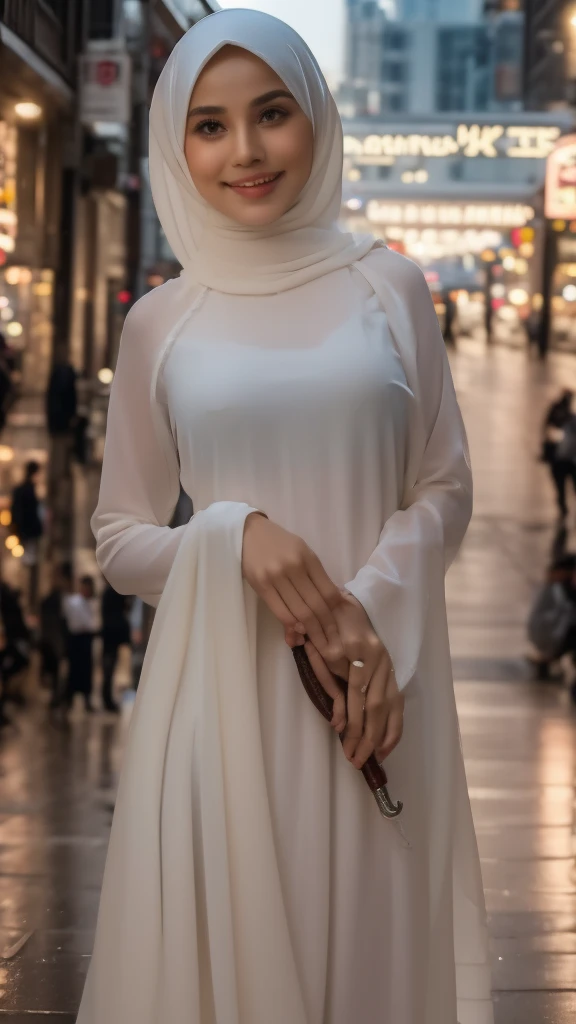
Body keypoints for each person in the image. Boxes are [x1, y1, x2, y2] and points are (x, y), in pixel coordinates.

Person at [76, 12, 492, 1024]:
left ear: (316, 116)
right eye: (209, 126)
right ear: (178, 145)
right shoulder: (161, 322)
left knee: (369, 960)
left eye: (271, 114)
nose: (247, 152)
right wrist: (235, 535)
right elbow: (121, 536)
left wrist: (368, 613)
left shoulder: (389, 287)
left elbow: (444, 485)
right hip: (222, 704)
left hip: (372, 696)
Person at [10, 459, 44, 610]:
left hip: (27, 533)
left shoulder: (25, 489)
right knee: (28, 566)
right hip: (28, 533)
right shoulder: (26, 490)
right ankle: (27, 602)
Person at [62, 574, 98, 713]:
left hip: (87, 638)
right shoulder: (72, 601)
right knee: (73, 669)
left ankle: (86, 699)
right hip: (75, 638)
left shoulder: (92, 602)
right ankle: (69, 699)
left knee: (87, 670)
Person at [39, 562, 71, 708]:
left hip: (54, 637)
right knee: (54, 668)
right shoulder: (54, 599)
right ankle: (56, 695)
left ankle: (57, 695)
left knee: (56, 669)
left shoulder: (57, 598)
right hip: (53, 637)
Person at [541, 389, 576, 518]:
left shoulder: (569, 418)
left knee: (563, 487)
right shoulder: (561, 417)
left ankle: (563, 509)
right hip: (563, 460)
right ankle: (563, 509)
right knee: (562, 488)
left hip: (566, 461)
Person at [100, 582, 131, 713]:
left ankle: (107, 699)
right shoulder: (114, 593)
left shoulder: (111, 593)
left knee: (109, 670)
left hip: (111, 636)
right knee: (108, 670)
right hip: (112, 636)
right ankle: (107, 700)